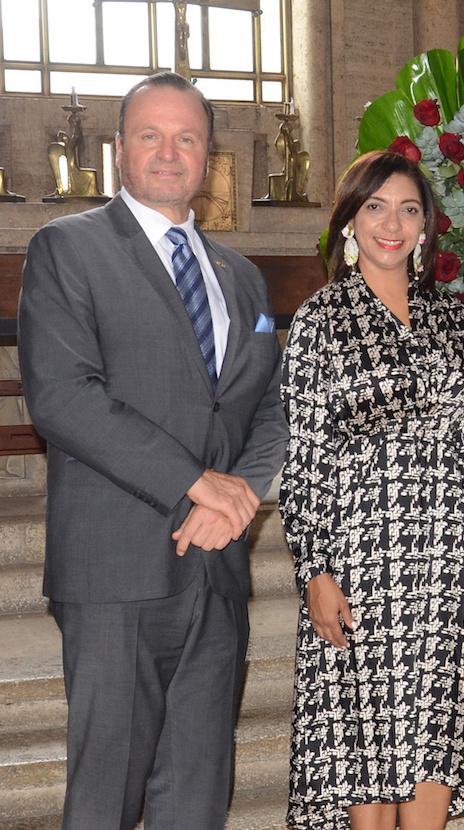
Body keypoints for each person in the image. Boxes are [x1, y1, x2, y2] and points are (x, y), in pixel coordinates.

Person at [17, 71, 287, 829]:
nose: (170, 152)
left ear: (207, 157)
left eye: (188, 138)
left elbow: (274, 405)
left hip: (217, 571)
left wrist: (237, 496)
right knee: (108, 795)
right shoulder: (68, 250)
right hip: (116, 571)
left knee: (197, 797)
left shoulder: (243, 279)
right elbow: (64, 397)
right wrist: (196, 483)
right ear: (119, 149)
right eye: (151, 135)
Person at [281, 150, 464, 830]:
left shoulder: (453, 319)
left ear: (426, 227)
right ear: (350, 221)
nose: (392, 223)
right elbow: (305, 458)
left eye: (408, 209)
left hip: (444, 554)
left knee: (433, 726)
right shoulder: (320, 320)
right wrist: (315, 570)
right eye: (376, 206)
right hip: (360, 556)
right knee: (366, 732)